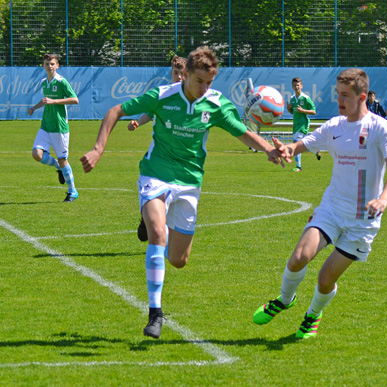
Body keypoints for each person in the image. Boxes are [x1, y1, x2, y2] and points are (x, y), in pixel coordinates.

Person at [80, 46, 286, 339]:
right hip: (157, 172)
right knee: (158, 235)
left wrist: (268, 149)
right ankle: (155, 313)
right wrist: (98, 149)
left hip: (190, 182)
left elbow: (241, 131)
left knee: (178, 260)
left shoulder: (215, 105)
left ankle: (154, 217)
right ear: (185, 75)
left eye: (210, 83)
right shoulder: (162, 96)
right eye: (199, 81)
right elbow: (116, 111)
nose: (204, 88)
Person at [253, 68, 387, 339]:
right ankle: (285, 300)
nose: (339, 100)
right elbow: (304, 144)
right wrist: (288, 150)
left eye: (345, 95)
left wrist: (383, 199)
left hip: (362, 221)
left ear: (363, 97)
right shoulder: (334, 126)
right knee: (299, 258)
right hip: (332, 209)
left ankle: (312, 316)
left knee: (324, 279)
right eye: (338, 94)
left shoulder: (381, 128)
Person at [129, 55, 187, 243]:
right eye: (176, 73)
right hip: (160, 157)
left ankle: (153, 221)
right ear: (171, 74)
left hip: (182, 158)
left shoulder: (192, 98)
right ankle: (151, 221)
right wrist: (138, 122)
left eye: (182, 74)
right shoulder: (164, 94)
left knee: (173, 197)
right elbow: (150, 112)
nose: (179, 77)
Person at [28, 53, 80, 202]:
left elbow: (75, 100)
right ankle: (59, 167)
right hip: (46, 124)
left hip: (59, 126)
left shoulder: (62, 82)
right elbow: (46, 100)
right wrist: (34, 108)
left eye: (52, 64)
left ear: (57, 65)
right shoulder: (44, 82)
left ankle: (72, 191)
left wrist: (54, 101)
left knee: (63, 159)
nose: (50, 66)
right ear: (43, 66)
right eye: (47, 64)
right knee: (36, 154)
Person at [287, 77, 318, 171]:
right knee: (305, 143)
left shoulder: (306, 98)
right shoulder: (292, 99)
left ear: (301, 86)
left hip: (303, 124)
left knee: (296, 144)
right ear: (292, 87)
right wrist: (289, 108)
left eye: (298, 85)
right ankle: (316, 150)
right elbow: (293, 112)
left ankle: (298, 166)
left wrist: (303, 110)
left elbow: (314, 111)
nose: (296, 87)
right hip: (296, 124)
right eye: (294, 85)